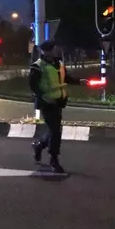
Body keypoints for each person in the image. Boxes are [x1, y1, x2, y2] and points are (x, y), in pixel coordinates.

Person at [29, 40, 85, 173]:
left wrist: (80, 81)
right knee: (55, 132)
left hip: (59, 102)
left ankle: (39, 146)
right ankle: (54, 160)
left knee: (53, 130)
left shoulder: (59, 64)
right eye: (54, 49)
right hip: (46, 103)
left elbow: (66, 78)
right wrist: (45, 97)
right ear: (46, 51)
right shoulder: (37, 66)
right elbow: (33, 86)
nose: (56, 51)